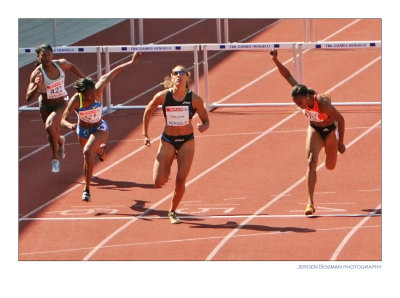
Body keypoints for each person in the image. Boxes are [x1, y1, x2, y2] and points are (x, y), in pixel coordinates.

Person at [270, 49, 346, 215]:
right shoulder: (299, 92)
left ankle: (330, 150)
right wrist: (275, 60)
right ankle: (310, 203)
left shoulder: (323, 104)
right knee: (311, 162)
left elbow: (341, 119)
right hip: (315, 130)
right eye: (295, 103)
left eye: (300, 102)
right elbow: (287, 75)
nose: (298, 105)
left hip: (331, 131)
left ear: (307, 96)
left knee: (330, 166)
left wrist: (340, 143)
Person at [61, 52, 142, 202]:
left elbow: (112, 74)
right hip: (82, 130)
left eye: (93, 94)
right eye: (89, 95)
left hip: (100, 128)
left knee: (87, 152)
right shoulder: (76, 100)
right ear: (82, 93)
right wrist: (71, 126)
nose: (93, 97)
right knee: (91, 150)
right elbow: (63, 120)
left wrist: (131, 63)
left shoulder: (97, 90)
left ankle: (86, 190)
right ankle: (101, 151)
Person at [143, 65, 210, 223]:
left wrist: (204, 127)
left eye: (182, 73)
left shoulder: (194, 99)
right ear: (171, 78)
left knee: (180, 179)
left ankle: (172, 211)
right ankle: (172, 156)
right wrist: (144, 134)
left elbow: (206, 120)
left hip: (187, 141)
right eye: (175, 73)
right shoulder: (163, 96)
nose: (179, 75)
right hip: (168, 140)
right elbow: (148, 109)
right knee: (158, 181)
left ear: (188, 77)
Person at [26, 44, 85, 173]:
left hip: (61, 103)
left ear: (52, 55)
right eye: (43, 56)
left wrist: (83, 79)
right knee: (51, 134)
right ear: (38, 57)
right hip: (45, 106)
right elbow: (28, 98)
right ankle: (60, 141)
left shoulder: (61, 64)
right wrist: (37, 86)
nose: (47, 58)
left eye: (49, 55)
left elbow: (72, 67)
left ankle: (55, 159)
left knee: (50, 126)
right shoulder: (37, 73)